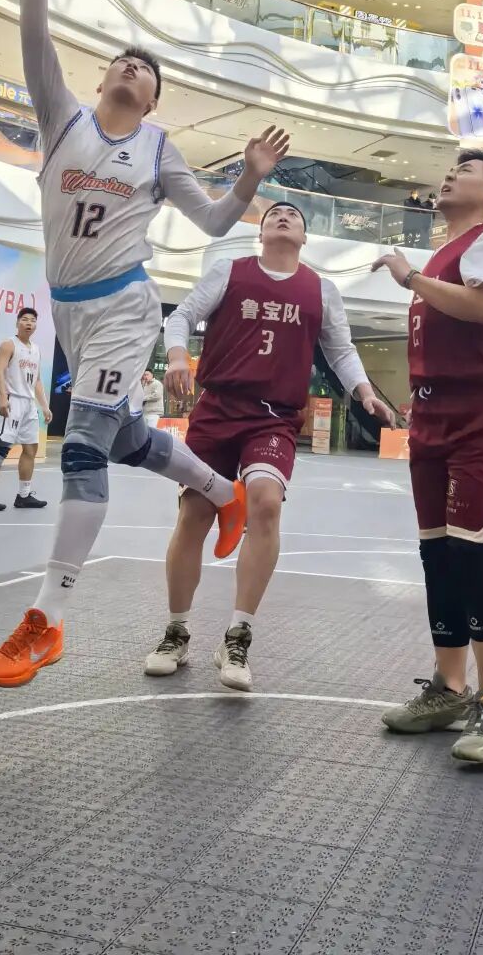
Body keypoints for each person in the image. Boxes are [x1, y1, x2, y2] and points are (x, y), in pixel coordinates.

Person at [0, 0, 289, 688]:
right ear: (103, 78)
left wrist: (249, 179)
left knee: (82, 444)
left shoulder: (156, 150)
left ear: (152, 101)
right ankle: (219, 492)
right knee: (120, 438)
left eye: (144, 70)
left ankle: (45, 620)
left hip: (123, 306)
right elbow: (33, 26)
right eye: (121, 60)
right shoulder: (62, 118)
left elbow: (214, 223)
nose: (129, 68)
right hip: (69, 312)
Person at [144, 201, 393, 691]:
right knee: (194, 513)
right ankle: (176, 632)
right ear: (260, 233)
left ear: (304, 237)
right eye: (273, 213)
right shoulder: (229, 272)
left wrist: (365, 392)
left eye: (294, 215)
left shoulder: (320, 290)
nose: (283, 216)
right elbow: (181, 317)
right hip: (218, 407)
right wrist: (175, 357)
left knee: (266, 503)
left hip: (274, 417)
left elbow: (341, 350)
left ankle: (237, 636)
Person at [374, 149, 483, 765]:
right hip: (432, 415)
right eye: (448, 169)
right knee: (436, 553)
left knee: (470, 551)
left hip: (481, 410)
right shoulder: (441, 257)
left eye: (465, 171)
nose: (448, 176)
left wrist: (410, 278)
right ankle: (449, 688)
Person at [0, 307, 52, 512]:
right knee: (2, 448)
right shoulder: (9, 345)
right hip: (12, 400)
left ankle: (24, 495)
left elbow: (37, 381)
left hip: (29, 404)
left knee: (30, 449)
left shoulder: (36, 349)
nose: (29, 323)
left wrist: (44, 406)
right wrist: (2, 397)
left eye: (32, 320)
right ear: (17, 323)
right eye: (25, 319)